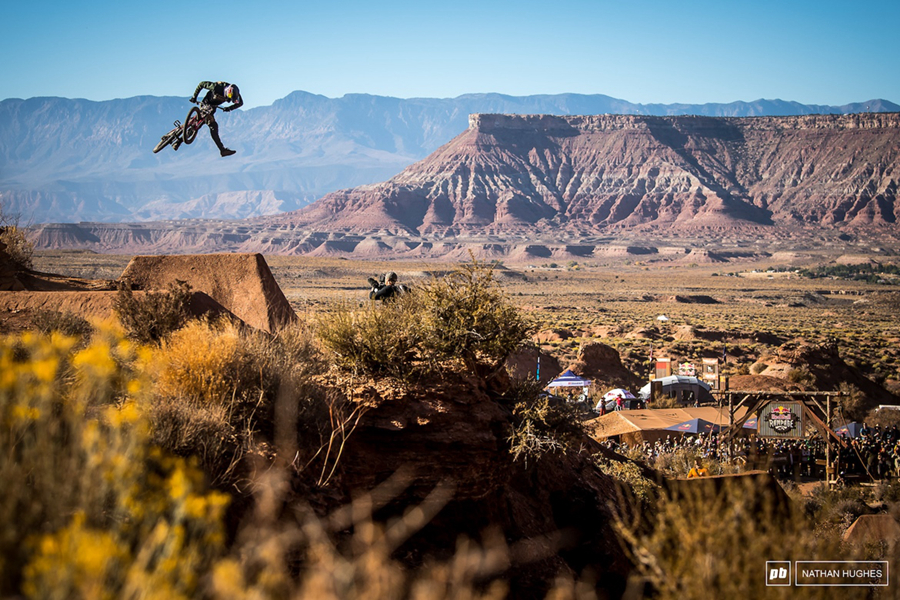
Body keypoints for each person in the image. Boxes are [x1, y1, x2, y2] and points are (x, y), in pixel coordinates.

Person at [189, 81, 244, 157]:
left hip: (212, 108)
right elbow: (201, 84)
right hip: (205, 104)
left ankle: (222, 150)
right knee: (206, 123)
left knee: (212, 126)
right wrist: (194, 97)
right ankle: (222, 150)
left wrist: (229, 108)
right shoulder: (217, 87)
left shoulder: (235, 94)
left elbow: (240, 103)